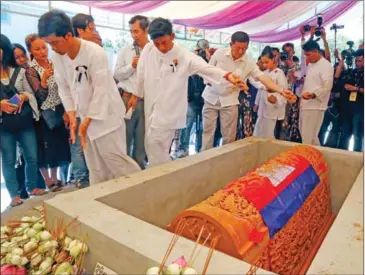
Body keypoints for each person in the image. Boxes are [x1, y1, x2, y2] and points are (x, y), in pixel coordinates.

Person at [133, 18, 256, 166]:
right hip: (151, 107)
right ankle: (164, 176)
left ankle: (160, 179)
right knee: (152, 145)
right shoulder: (149, 49)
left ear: (172, 36)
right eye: (157, 43)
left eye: (164, 42)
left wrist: (228, 75)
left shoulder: (184, 56)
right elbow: (140, 73)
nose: (162, 47)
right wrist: (137, 94)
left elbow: (207, 69)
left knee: (156, 145)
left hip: (169, 110)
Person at [38, 10, 141, 184]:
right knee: (95, 166)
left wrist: (84, 123)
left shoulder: (94, 53)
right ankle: (102, 201)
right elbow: (64, 87)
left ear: (69, 35)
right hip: (86, 117)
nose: (53, 48)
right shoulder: (57, 57)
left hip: (106, 118)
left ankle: (141, 191)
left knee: (117, 163)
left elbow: (101, 91)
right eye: (49, 44)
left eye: (55, 42)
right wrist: (72, 115)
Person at [201, 31, 295, 151]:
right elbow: (207, 70)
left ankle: (224, 161)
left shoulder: (248, 62)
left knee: (229, 135)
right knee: (207, 131)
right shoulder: (219, 53)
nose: (240, 52)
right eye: (238, 48)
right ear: (231, 44)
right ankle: (203, 157)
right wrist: (207, 81)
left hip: (230, 100)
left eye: (244, 49)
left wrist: (281, 90)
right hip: (211, 96)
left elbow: (262, 78)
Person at [1, 34, 44, 207]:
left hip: (24, 121)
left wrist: (23, 97)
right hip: (4, 126)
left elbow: (30, 92)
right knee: (8, 160)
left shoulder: (17, 71)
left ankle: (32, 187)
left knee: (31, 156)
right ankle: (14, 196)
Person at [25, 33, 71, 191]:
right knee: (45, 147)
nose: (42, 51)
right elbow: (39, 96)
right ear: (31, 52)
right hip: (43, 114)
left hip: (59, 109)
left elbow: (65, 88)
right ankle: (48, 181)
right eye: (37, 49)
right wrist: (43, 80)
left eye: (44, 47)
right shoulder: (31, 71)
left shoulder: (54, 63)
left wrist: (66, 110)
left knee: (58, 145)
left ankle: (56, 177)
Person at [114, 15, 149, 169]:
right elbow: (116, 74)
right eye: (131, 32)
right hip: (126, 99)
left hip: (146, 101)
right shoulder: (125, 50)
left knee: (142, 139)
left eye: (136, 31)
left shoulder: (153, 50)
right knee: (124, 138)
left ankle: (140, 168)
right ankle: (125, 171)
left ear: (146, 30)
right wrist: (132, 66)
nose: (134, 35)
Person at [299, 40, 334, 145]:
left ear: (316, 51)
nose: (307, 58)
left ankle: (309, 160)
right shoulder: (311, 64)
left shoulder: (326, 65)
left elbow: (327, 86)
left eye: (308, 55)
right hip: (305, 104)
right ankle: (317, 159)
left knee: (308, 137)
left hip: (315, 105)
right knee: (308, 135)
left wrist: (313, 95)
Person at [254, 46, 287, 139]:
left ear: (273, 60)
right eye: (263, 62)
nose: (264, 65)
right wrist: (257, 103)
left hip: (272, 108)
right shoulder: (265, 73)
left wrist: (276, 100)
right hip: (262, 106)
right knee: (258, 131)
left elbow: (284, 91)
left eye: (266, 62)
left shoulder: (279, 73)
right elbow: (260, 89)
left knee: (268, 134)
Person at [338, 49, 364, 152]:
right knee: (345, 133)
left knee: (357, 134)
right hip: (348, 107)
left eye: (360, 61)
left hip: (360, 109)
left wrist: (356, 89)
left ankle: (357, 158)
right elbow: (339, 79)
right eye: (356, 61)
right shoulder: (353, 72)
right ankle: (342, 155)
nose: (357, 63)